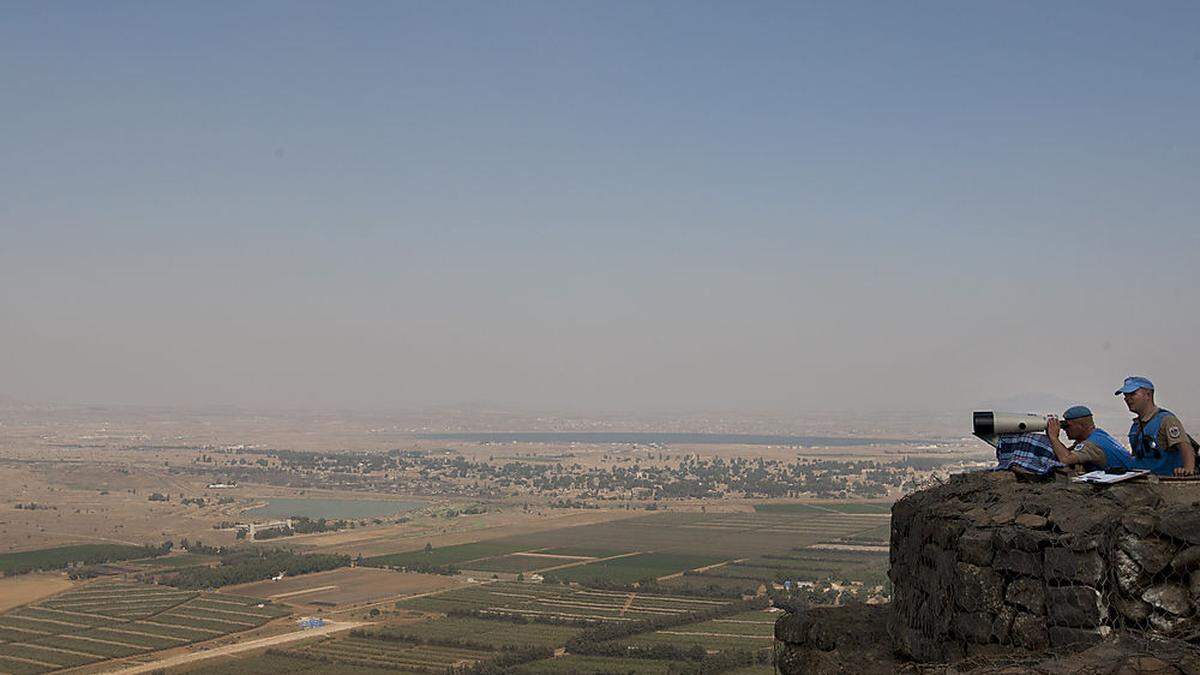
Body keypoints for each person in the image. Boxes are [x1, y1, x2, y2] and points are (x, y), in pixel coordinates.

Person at [1116, 376, 1197, 476]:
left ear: (1148, 395)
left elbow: (1185, 447)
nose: (1127, 399)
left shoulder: (1166, 420)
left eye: (1132, 394)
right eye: (1125, 396)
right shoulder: (1136, 426)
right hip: (1141, 481)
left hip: (1163, 481)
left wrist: (1187, 470)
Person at [1045, 405, 1133, 472]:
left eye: (1068, 426)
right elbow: (1066, 452)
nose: (1065, 429)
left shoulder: (1092, 444)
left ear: (1081, 426)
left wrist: (1054, 437)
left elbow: (1066, 459)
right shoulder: (1098, 434)